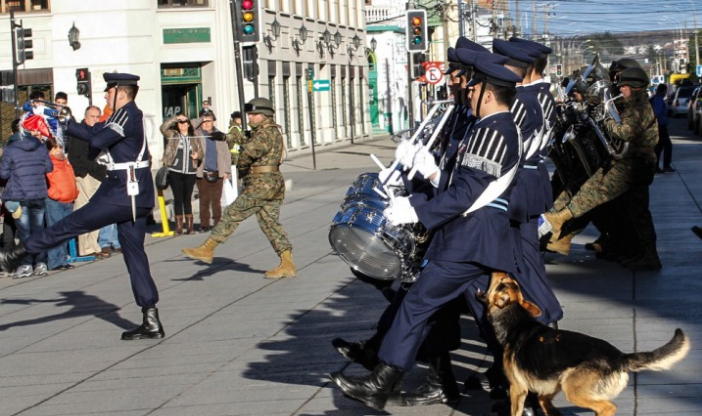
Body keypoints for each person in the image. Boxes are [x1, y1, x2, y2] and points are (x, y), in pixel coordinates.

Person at [329, 58, 523, 411]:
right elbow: (465, 185)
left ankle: (380, 382)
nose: (468, 91)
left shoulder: (496, 129)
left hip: (471, 240)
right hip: (469, 238)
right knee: (493, 322)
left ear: (489, 92)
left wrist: (417, 211)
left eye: (473, 88)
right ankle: (522, 385)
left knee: (417, 304)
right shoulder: (487, 126)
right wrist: (430, 175)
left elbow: (470, 193)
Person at [0, 73, 164, 340]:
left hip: (123, 192)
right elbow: (91, 132)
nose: (104, 95)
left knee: (71, 223)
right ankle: (151, 317)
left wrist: (59, 121)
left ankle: (18, 254)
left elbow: (97, 140)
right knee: (135, 255)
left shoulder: (126, 114)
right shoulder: (123, 114)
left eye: (108, 91)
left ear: (120, 93)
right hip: (131, 193)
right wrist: (62, 119)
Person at [543, 67, 661, 269]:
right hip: (629, 161)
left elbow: (624, 132)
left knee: (625, 206)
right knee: (627, 209)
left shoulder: (639, 107)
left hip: (636, 164)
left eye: (623, 86)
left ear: (634, 87)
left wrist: (604, 120)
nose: (620, 90)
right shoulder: (631, 104)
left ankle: (648, 256)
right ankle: (636, 251)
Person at [182, 97, 297, 279]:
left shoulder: (266, 134)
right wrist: (224, 137)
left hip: (262, 183)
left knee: (233, 213)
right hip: (271, 182)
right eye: (249, 114)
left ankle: (208, 249)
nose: (249, 118)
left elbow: (247, 153)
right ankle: (287, 263)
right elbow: (244, 137)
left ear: (264, 115)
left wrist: (240, 165)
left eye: (253, 114)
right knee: (270, 224)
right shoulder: (265, 131)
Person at [0, 115, 53, 278]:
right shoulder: (40, 147)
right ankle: (41, 263)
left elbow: (3, 173)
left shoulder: (10, 149)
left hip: (19, 195)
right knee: (38, 230)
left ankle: (26, 264)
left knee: (25, 233)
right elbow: (49, 167)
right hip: (38, 194)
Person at [68, 106, 107, 258]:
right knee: (84, 211)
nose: (95, 119)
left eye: (98, 117)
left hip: (98, 175)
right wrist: (82, 174)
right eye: (92, 116)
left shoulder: (98, 132)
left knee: (96, 213)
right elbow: (74, 157)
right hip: (85, 176)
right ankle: (85, 248)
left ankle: (94, 245)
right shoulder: (80, 133)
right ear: (86, 117)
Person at [160, 113, 202, 235]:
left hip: (190, 171)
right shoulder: (173, 135)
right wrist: (175, 118)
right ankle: (179, 227)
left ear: (189, 124)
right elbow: (163, 128)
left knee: (187, 198)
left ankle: (190, 227)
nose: (182, 125)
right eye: (180, 122)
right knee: (178, 198)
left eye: (185, 122)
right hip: (175, 171)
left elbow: (201, 152)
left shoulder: (194, 137)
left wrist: (197, 155)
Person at [44, 138, 79, 271]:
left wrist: (74, 192)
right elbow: (46, 182)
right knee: (55, 232)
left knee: (64, 232)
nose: (58, 151)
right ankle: (54, 261)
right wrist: (55, 194)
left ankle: (63, 259)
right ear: (49, 151)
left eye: (59, 148)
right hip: (55, 202)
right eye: (54, 148)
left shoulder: (65, 162)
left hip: (68, 200)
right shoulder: (48, 163)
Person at [192, 111, 230, 232]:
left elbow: (226, 154)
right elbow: (191, 124)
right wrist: (200, 119)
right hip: (203, 172)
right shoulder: (196, 134)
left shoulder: (219, 135)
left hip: (217, 171)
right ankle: (204, 225)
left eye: (209, 121)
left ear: (214, 121)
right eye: (204, 121)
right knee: (204, 200)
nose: (207, 124)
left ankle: (218, 223)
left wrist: (227, 171)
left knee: (216, 201)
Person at [651, 83, 674, 173]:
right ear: (663, 90)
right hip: (660, 126)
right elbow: (658, 112)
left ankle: (656, 166)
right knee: (667, 145)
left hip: (659, 125)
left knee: (659, 146)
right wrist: (661, 121)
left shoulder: (655, 98)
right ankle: (666, 165)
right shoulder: (659, 100)